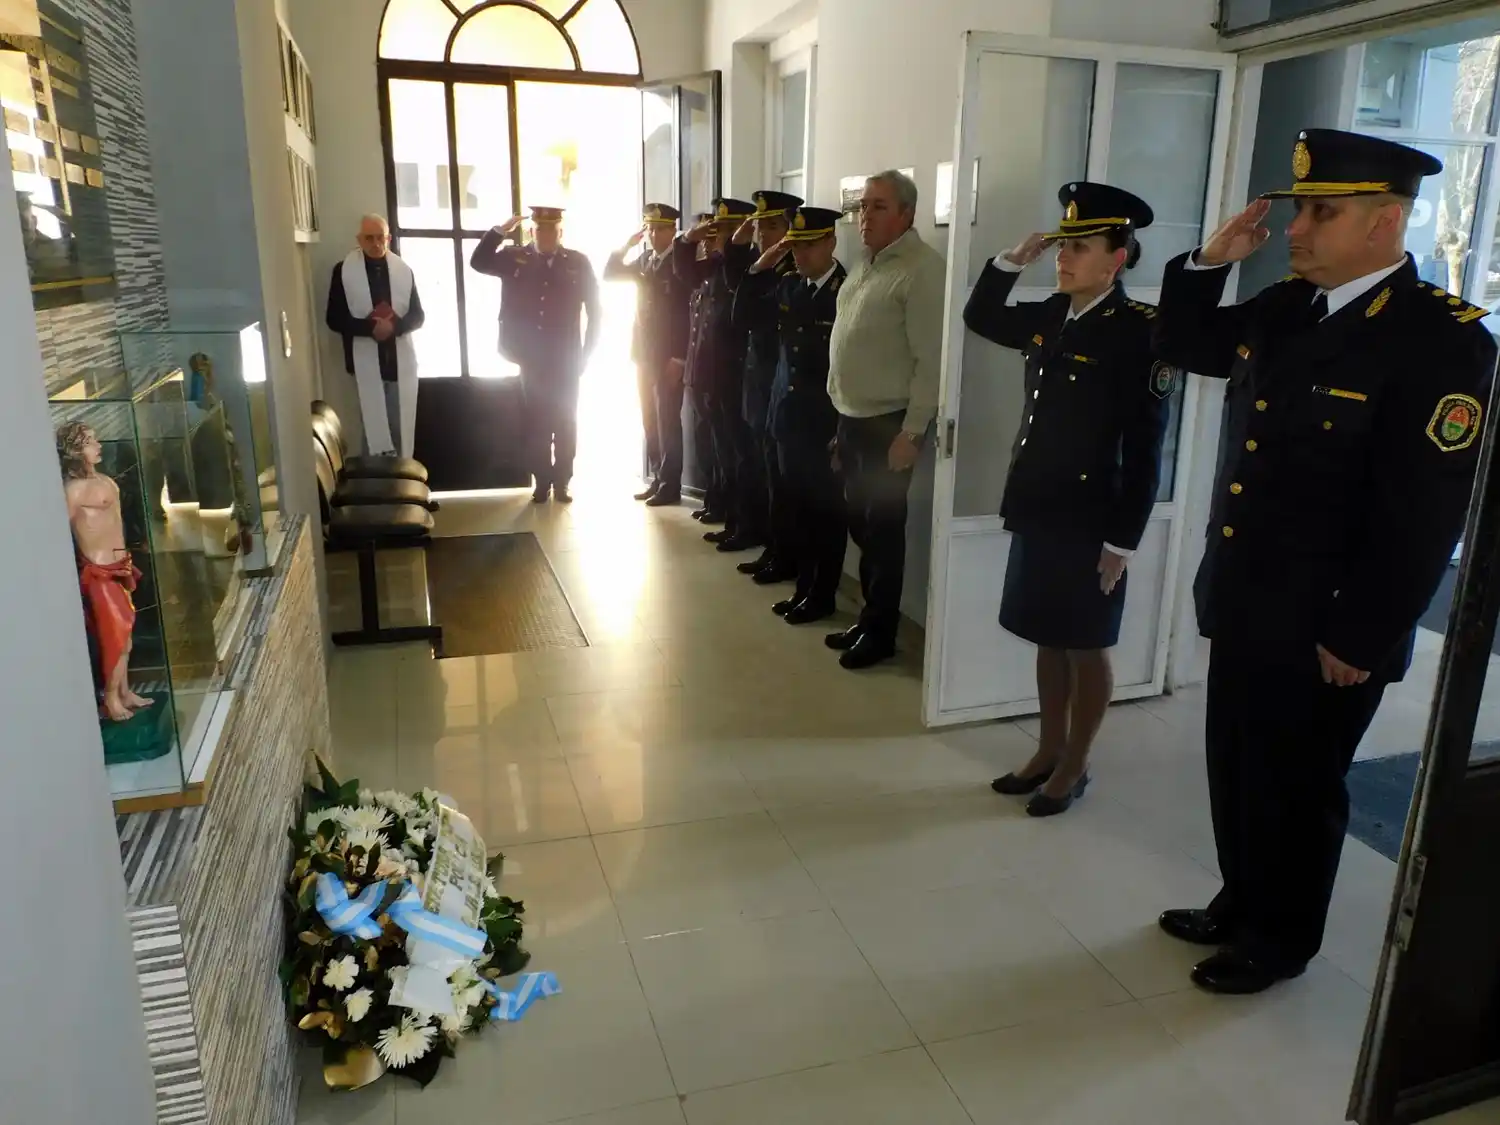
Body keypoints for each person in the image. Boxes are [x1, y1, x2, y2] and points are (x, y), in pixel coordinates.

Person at [1152, 129, 1496, 995]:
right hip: (1247, 594)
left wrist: (1362, 632)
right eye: (1301, 209)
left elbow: (1425, 511)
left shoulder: (1443, 340)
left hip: (1329, 622)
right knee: (1238, 763)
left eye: (1320, 212)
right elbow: (1184, 343)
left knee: (1299, 785)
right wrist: (1209, 262)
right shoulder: (1288, 307)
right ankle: (1241, 899)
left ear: (1385, 222)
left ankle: (1280, 939)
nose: (1296, 229)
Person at [964, 183, 1173, 817]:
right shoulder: (1053, 313)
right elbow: (981, 316)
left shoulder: (1142, 332)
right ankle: (1048, 750)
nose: (1064, 257)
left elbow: (1146, 449)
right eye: (1062, 245)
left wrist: (1121, 542)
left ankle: (1076, 764)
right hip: (1039, 502)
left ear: (1118, 259)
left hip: (1092, 517)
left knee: (1086, 641)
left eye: (1080, 247)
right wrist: (1010, 261)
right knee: (1047, 636)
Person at [825, 170, 945, 670]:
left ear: (906, 214)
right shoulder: (865, 265)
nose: (864, 217)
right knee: (861, 524)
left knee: (883, 531)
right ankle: (868, 618)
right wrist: (840, 416)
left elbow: (931, 362)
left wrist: (911, 432)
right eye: (862, 206)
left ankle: (881, 634)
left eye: (878, 207)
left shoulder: (922, 270)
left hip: (889, 424)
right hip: (852, 418)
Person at [743, 205, 849, 624]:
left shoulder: (845, 291)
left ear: (831, 243)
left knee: (827, 515)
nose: (799, 255)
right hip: (786, 418)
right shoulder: (789, 286)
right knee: (798, 510)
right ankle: (804, 589)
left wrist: (842, 429)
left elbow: (849, 367)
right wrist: (760, 268)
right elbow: (744, 317)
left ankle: (821, 596)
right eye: (795, 247)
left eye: (808, 246)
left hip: (822, 424)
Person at [470, 206, 602, 503]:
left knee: (566, 421)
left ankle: (562, 481)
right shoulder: (515, 257)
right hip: (530, 356)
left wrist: (587, 353)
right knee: (536, 420)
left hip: (567, 357)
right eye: (540, 229)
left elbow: (595, 310)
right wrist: (499, 232)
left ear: (560, 232)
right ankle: (542, 481)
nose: (545, 235)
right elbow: (478, 262)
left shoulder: (577, 262)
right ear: (532, 231)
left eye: (551, 230)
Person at [725, 189, 802, 578]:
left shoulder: (792, 271)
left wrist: (761, 267)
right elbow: (739, 314)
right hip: (759, 382)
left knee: (781, 481)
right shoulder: (764, 265)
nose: (763, 234)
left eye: (771, 226)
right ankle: (770, 547)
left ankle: (782, 554)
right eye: (760, 227)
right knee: (762, 470)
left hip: (781, 385)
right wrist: (749, 256)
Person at [57, 422, 152, 723]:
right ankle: (111, 698)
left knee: (127, 636)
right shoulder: (72, 491)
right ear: (75, 450)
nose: (99, 446)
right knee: (115, 636)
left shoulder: (105, 480)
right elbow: (60, 531)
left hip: (121, 565)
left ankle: (124, 691)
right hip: (99, 572)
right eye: (90, 442)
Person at [605, 203, 694, 505]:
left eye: (660, 229)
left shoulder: (681, 262)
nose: (654, 235)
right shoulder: (645, 259)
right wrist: (626, 246)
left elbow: (687, 315)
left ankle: (670, 485)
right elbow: (610, 273)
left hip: (668, 356)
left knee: (667, 420)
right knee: (649, 420)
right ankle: (657, 477)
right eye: (650, 229)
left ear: (673, 231)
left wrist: (680, 358)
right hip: (643, 353)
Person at [678, 199, 757, 540]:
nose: (715, 238)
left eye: (723, 231)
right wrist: (688, 240)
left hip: (732, 375)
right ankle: (721, 505)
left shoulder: (744, 267)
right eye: (714, 231)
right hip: (707, 373)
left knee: (736, 453)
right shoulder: (715, 265)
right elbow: (684, 273)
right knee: (716, 447)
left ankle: (740, 521)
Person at [326, 214, 425, 458]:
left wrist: (393, 328)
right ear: (359, 240)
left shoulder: (403, 270)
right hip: (364, 364)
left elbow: (418, 316)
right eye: (369, 238)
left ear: (388, 238)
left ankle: (402, 479)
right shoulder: (344, 271)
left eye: (381, 237)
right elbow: (334, 318)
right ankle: (373, 479)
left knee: (400, 429)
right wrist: (370, 328)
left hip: (398, 364)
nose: (376, 243)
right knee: (372, 429)